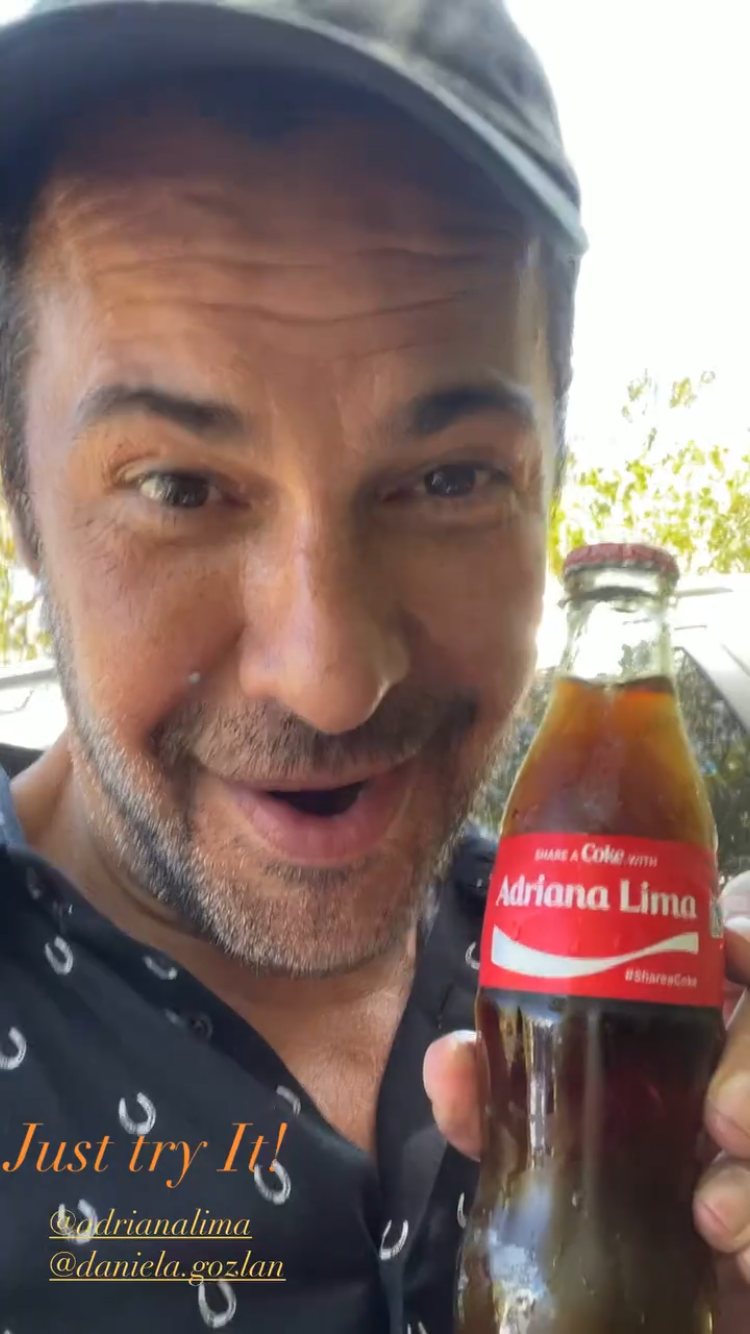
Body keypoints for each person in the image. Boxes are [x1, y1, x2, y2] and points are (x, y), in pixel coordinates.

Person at [0, 1, 747, 1331]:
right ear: (20, 500)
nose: (330, 677)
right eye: (178, 486)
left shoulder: (613, 1001)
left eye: (450, 479)